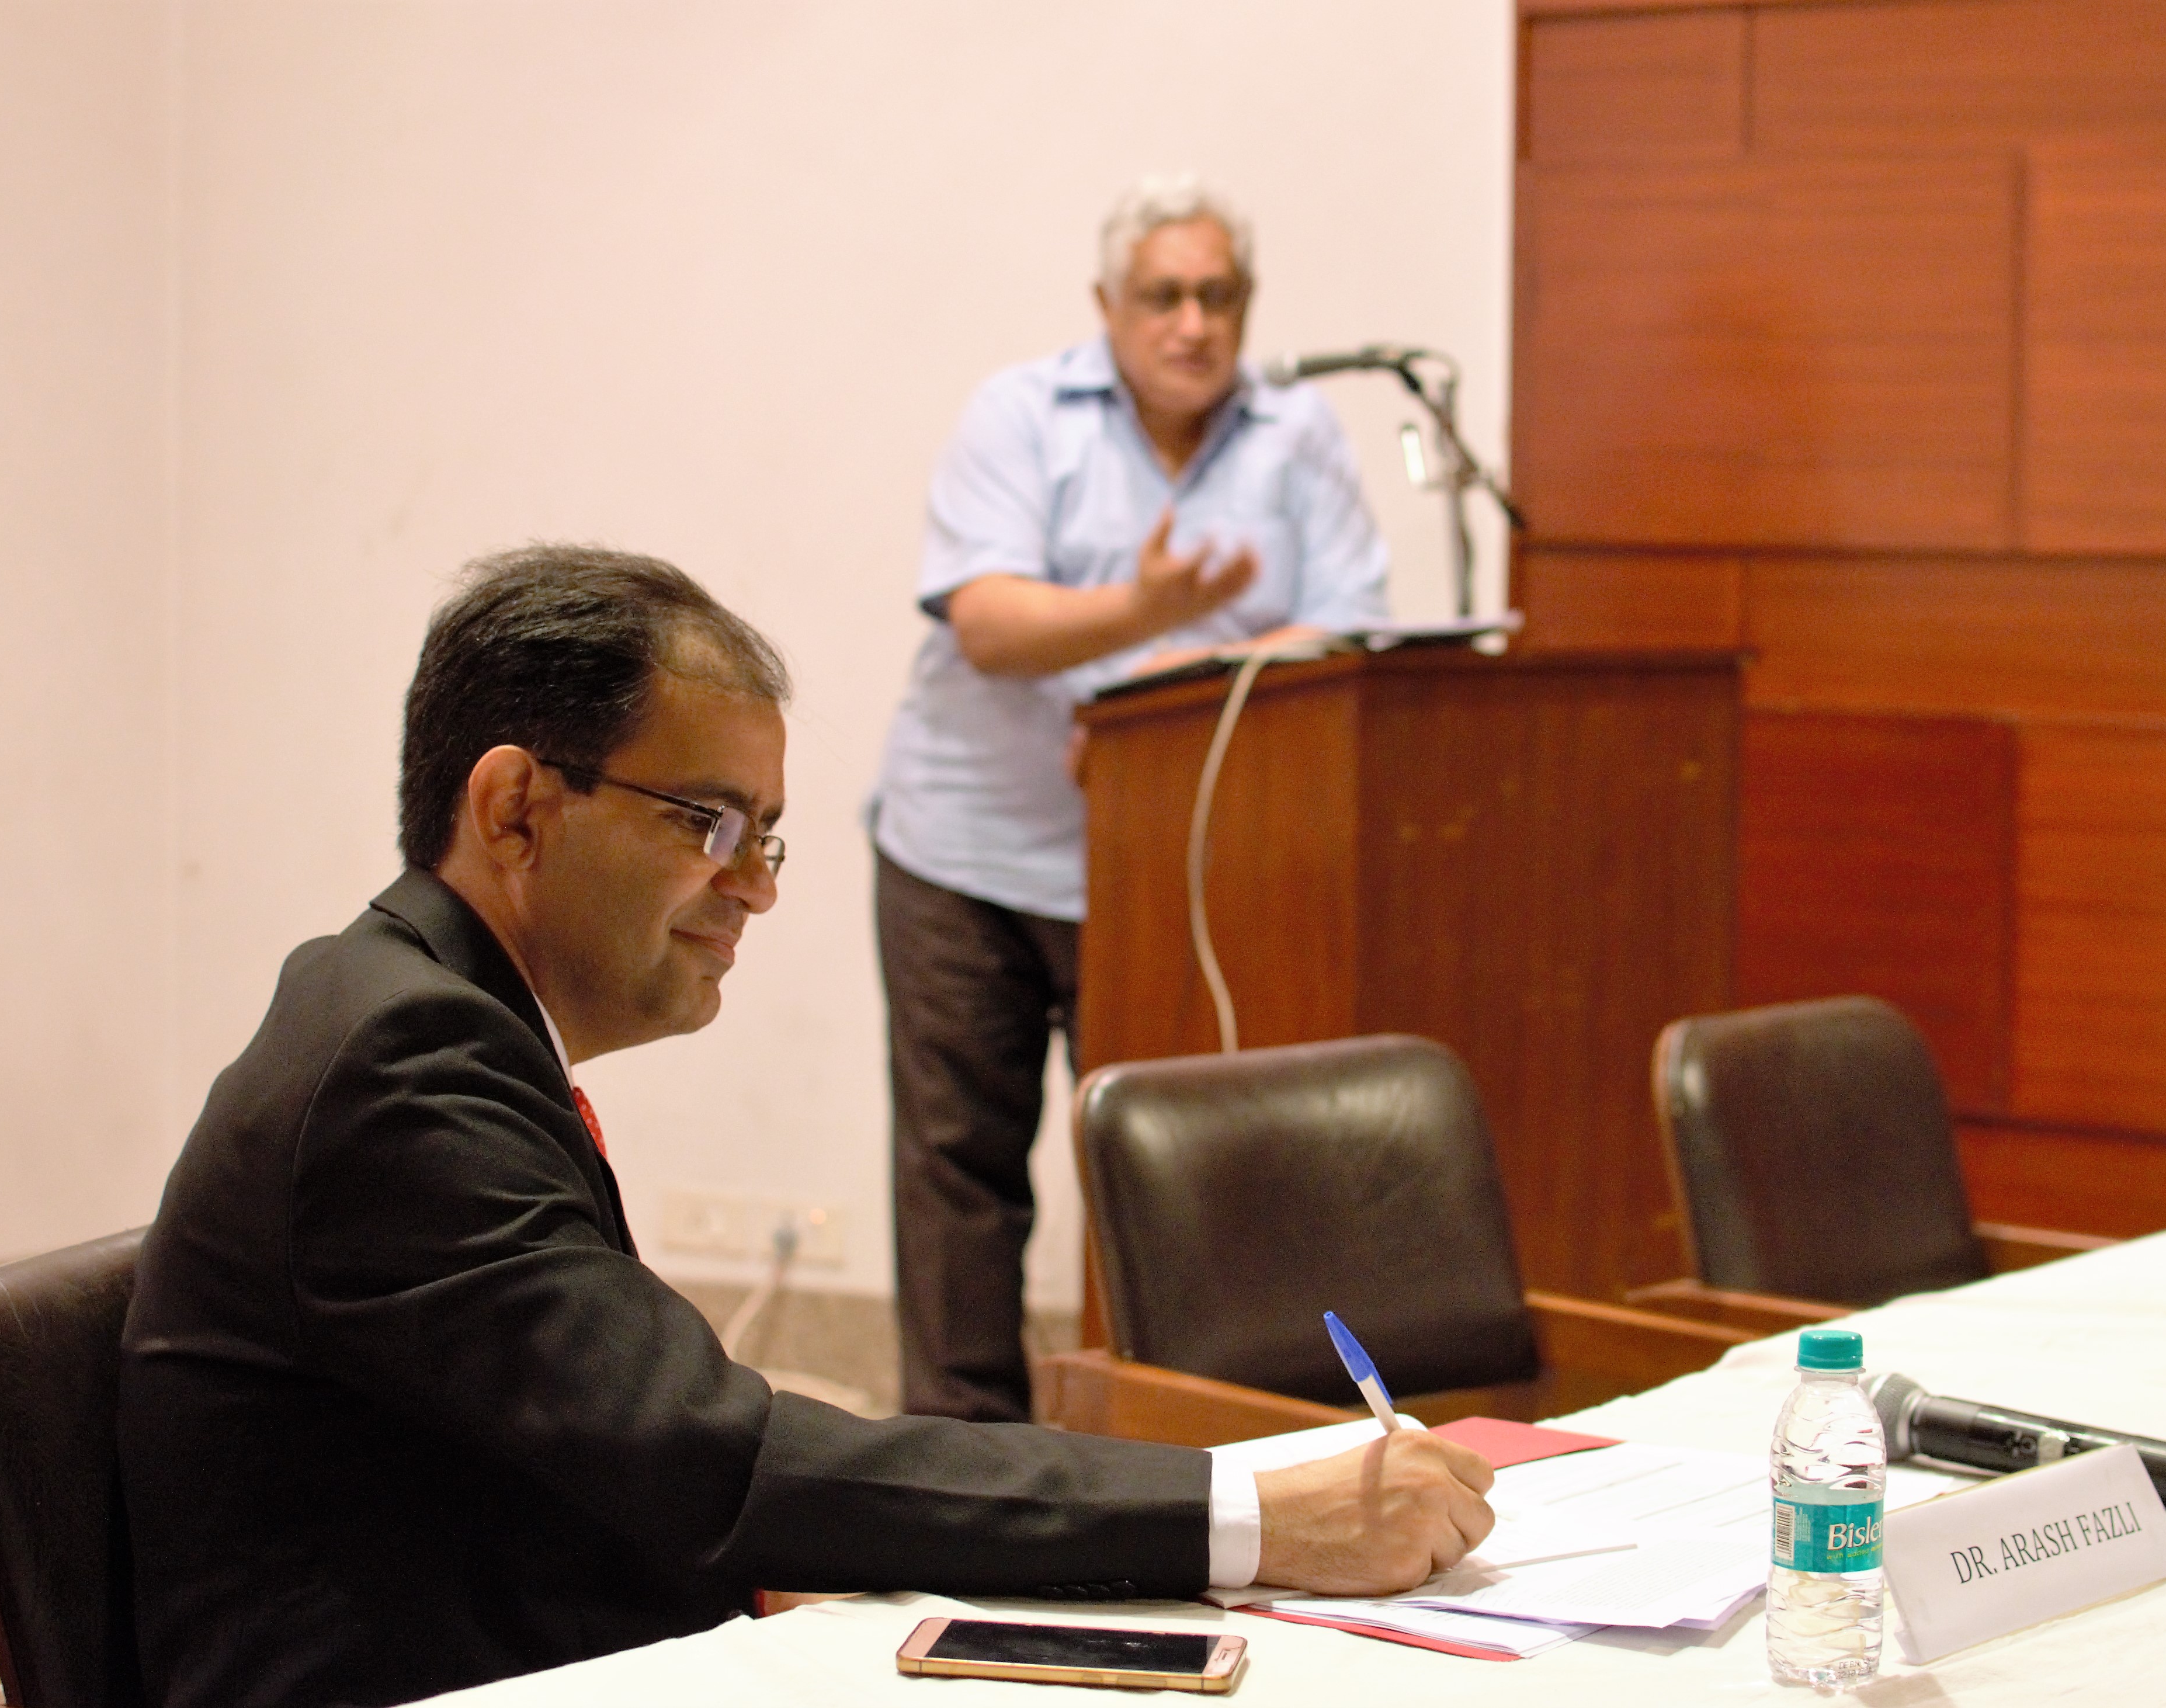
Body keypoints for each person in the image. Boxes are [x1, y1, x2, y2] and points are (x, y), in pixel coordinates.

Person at [118, 546, 1486, 1708]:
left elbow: (658, 1445)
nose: (754, 890)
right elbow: (713, 1457)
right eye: (708, 824)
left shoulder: (426, 1019)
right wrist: (1244, 1520)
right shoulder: (400, 1063)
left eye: (766, 836)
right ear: (515, 808)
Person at [872, 173, 1389, 1423]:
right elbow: (989, 620)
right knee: (961, 1177)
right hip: (972, 852)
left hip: (1177, 879)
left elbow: (1356, 629)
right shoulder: (1023, 415)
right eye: (1163, 296)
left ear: (1248, 303)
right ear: (1109, 306)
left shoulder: (1297, 430)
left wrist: (1194, 674)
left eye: (1218, 295)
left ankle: (1167, 1446)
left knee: (1170, 1171)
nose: (1193, 323)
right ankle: (960, 1460)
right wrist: (1141, 620)